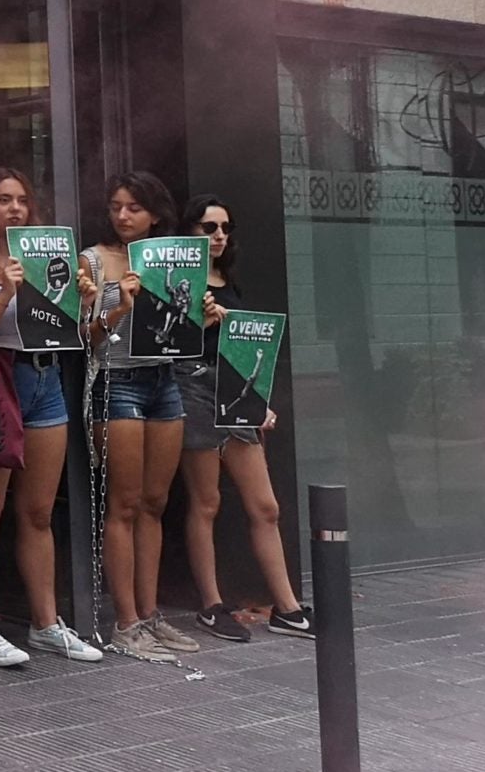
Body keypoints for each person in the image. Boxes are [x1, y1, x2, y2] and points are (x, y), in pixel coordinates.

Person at [0, 167, 102, 668]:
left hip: (46, 379)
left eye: (20, 200)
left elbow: (74, 332)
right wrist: (5, 291)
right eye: (1, 199)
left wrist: (80, 300)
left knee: (38, 512)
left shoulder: (43, 257)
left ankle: (45, 623)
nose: (14, 208)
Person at [178, 194, 314, 641]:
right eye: (208, 227)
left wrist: (258, 402)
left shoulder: (225, 278)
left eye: (224, 227)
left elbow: (242, 349)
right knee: (206, 501)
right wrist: (201, 323)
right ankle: (211, 604)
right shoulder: (177, 277)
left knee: (265, 505)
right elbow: (165, 342)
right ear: (189, 231)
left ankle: (288, 607)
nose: (218, 235)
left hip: (234, 390)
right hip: (194, 387)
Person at [84, 171, 202, 663]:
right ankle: (126, 620)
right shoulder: (94, 258)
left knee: (155, 501)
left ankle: (150, 613)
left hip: (162, 381)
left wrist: (202, 311)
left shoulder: (170, 260)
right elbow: (84, 337)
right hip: (118, 382)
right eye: (115, 206)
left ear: (155, 214)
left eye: (133, 207)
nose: (123, 215)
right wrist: (119, 305)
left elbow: (181, 324)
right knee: (125, 505)